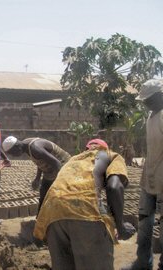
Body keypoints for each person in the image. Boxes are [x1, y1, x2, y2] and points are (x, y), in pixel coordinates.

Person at [33, 139, 136, 270]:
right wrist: (120, 226)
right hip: (85, 212)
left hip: (52, 213)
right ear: (105, 148)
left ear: (86, 149)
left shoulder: (73, 160)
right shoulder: (111, 155)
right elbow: (115, 187)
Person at [123, 79, 163, 270]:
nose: (145, 103)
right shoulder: (151, 115)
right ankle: (142, 262)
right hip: (149, 177)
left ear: (160, 95)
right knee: (145, 221)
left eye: (148, 99)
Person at [2, 136, 71, 212]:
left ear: (17, 147)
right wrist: (37, 178)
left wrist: (60, 184)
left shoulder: (35, 148)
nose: (13, 156)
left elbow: (56, 163)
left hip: (64, 167)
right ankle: (41, 220)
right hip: (50, 170)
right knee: (44, 195)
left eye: (12, 153)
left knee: (54, 196)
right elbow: (41, 161)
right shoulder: (26, 144)